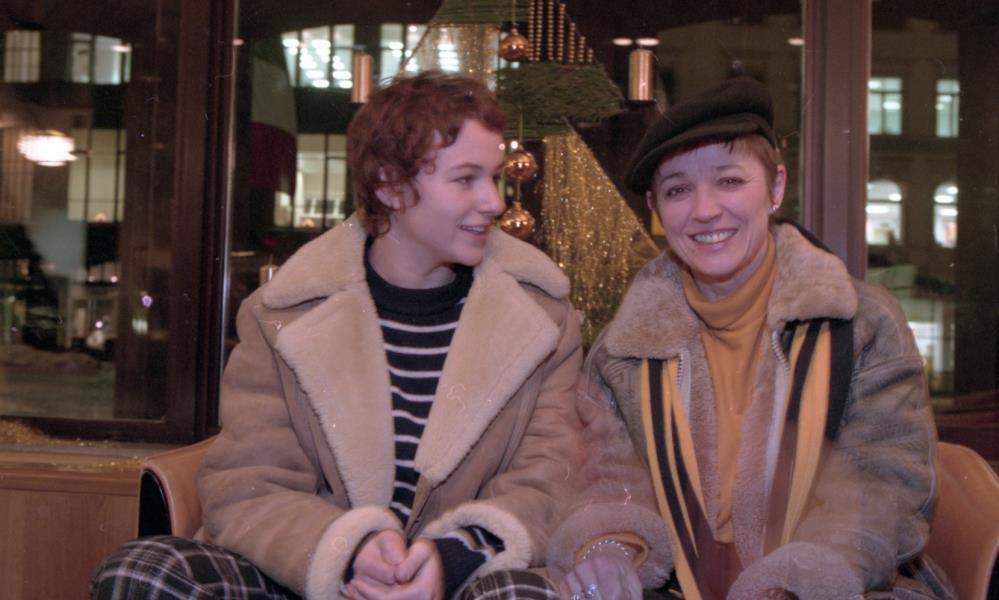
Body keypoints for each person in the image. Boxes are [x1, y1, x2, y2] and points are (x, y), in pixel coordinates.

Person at [91, 71, 583, 600]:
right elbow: (250, 482)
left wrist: (454, 557)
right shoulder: (282, 316)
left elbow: (548, 479)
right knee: (143, 572)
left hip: (465, 581)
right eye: (466, 179)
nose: (494, 202)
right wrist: (350, 551)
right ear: (389, 186)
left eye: (494, 177)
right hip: (310, 576)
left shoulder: (543, 318)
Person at [549, 77, 955, 600]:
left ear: (776, 187)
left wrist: (797, 580)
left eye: (729, 180)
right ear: (655, 206)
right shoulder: (621, 350)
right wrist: (611, 549)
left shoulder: (860, 323)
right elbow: (606, 483)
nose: (704, 210)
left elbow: (886, 488)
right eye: (678, 190)